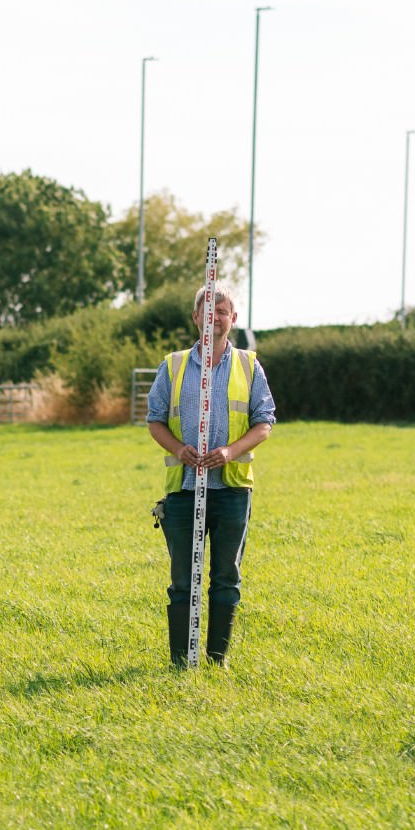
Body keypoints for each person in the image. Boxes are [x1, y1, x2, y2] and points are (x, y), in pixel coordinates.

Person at [145, 286, 276, 667]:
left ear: (232, 320)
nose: (214, 317)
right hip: (184, 491)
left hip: (232, 490)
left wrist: (230, 452)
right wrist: (176, 448)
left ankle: (217, 660)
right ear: (195, 316)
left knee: (225, 577)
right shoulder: (173, 365)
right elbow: (154, 419)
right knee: (183, 582)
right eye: (207, 310)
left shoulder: (249, 366)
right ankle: (181, 663)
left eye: (222, 311)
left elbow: (264, 422)